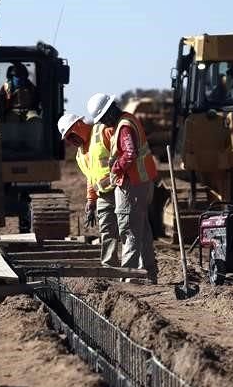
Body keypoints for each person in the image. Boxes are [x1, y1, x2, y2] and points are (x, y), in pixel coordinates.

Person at [86, 94, 159, 283]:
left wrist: (115, 168)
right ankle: (150, 274)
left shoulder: (124, 126)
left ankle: (129, 279)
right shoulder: (127, 120)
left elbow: (130, 153)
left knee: (129, 231)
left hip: (132, 184)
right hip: (141, 183)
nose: (103, 122)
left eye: (103, 118)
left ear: (110, 111)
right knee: (141, 229)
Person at [57, 113, 119, 267]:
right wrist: (91, 201)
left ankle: (137, 268)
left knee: (128, 229)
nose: (71, 141)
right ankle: (110, 267)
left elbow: (123, 155)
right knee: (107, 231)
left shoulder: (103, 131)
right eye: (68, 139)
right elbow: (91, 178)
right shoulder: (80, 155)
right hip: (103, 195)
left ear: (79, 125)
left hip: (121, 189)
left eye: (71, 135)